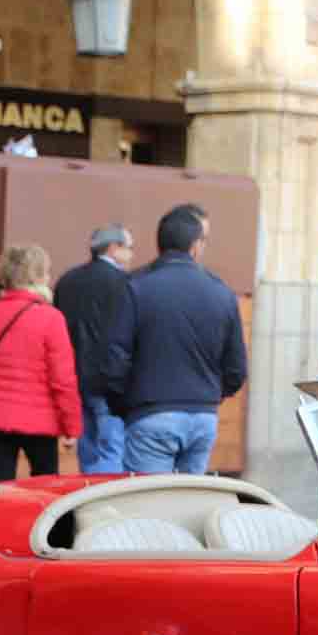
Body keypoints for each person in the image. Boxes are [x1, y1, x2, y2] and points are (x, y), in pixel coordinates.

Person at [104, 203, 246, 474]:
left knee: (149, 505)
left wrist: (122, 405)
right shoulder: (222, 292)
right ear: (196, 246)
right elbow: (237, 368)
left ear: (159, 243)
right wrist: (211, 395)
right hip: (203, 416)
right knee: (188, 504)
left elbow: (115, 358)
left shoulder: (135, 287)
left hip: (150, 414)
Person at [0, 243, 81, 484]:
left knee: (1, 488)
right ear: (37, 277)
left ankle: (1, 523)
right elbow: (63, 380)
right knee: (45, 487)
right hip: (40, 421)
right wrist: (71, 427)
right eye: (47, 273)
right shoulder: (51, 318)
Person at [51, 223, 135, 472]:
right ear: (113, 248)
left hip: (74, 378)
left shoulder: (67, 280)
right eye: (129, 247)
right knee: (111, 448)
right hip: (110, 382)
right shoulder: (125, 282)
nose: (132, 254)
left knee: (87, 451)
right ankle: (104, 506)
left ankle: (88, 497)